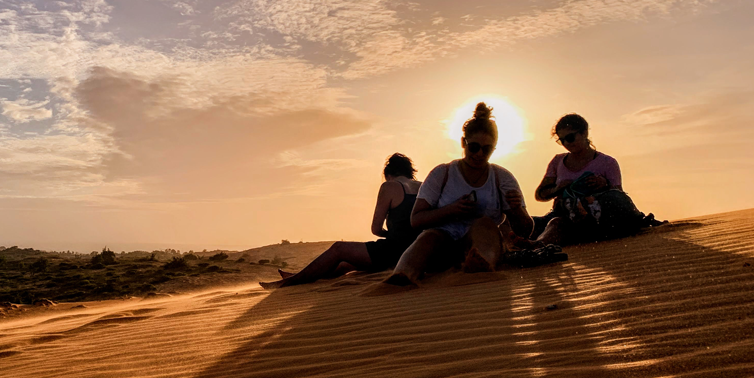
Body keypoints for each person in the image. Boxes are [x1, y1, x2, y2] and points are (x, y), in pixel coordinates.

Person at [386, 102, 534, 285]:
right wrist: (451, 210)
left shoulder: (501, 178)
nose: (479, 154)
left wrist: (517, 208)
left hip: (483, 242)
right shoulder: (442, 173)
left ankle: (481, 268)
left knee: (485, 223)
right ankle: (401, 277)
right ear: (464, 143)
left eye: (486, 149)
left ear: (494, 149)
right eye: (474, 147)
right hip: (443, 244)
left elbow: (525, 230)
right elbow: (416, 220)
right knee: (429, 236)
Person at [261, 154, 421, 289]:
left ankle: (287, 283)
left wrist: (390, 234)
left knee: (339, 249)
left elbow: (376, 228)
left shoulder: (390, 186)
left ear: (389, 174)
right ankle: (299, 276)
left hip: (396, 250)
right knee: (345, 265)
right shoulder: (424, 186)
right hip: (420, 249)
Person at [533, 114, 625, 245]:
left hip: (594, 218)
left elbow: (619, 197)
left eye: (570, 138)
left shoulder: (607, 162)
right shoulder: (557, 162)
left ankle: (537, 246)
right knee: (524, 223)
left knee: (556, 224)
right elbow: (540, 194)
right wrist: (558, 188)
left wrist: (605, 184)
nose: (566, 144)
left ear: (584, 133)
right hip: (561, 212)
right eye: (561, 140)